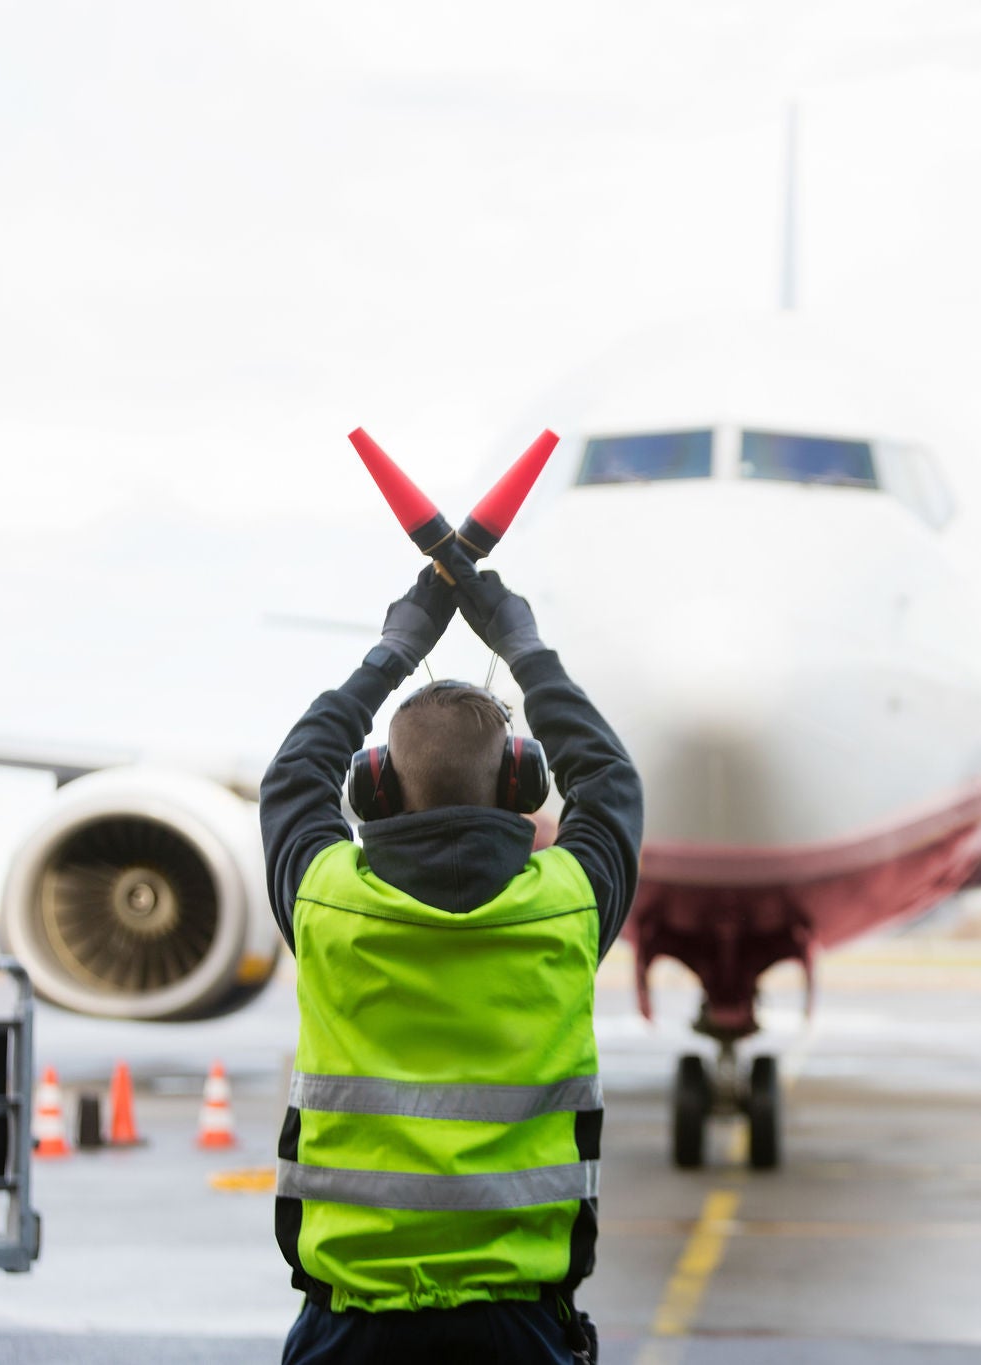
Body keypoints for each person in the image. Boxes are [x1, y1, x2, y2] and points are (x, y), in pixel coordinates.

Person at [259, 554, 641, 1364]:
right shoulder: (568, 907)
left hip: (349, 1329)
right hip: (520, 1327)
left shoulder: (325, 903)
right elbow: (609, 780)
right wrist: (524, 645)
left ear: (374, 789)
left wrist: (394, 649)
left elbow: (294, 774)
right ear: (521, 785)